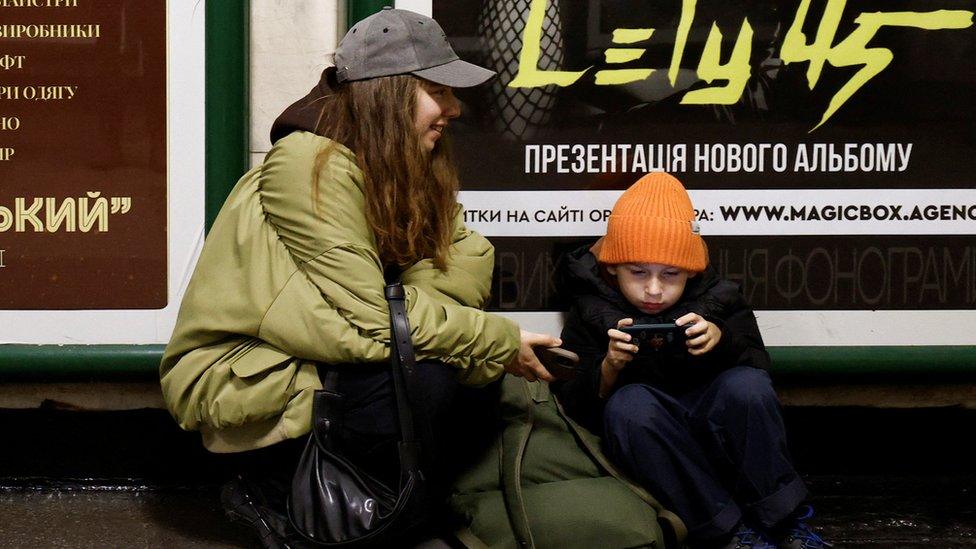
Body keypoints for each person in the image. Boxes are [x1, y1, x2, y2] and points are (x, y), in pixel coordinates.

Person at [159, 7, 558, 545]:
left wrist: (430, 318)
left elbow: (466, 251)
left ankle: (380, 500)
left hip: (332, 345)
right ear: (389, 93)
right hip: (249, 369)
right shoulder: (305, 162)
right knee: (431, 371)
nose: (454, 108)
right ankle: (275, 493)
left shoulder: (398, 156)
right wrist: (491, 336)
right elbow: (375, 322)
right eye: (438, 90)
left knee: (460, 368)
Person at [553, 172, 830, 549]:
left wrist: (721, 339)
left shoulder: (719, 296)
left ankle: (785, 522)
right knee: (629, 406)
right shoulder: (590, 307)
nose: (654, 289)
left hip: (716, 427)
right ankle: (730, 534)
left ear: (692, 270)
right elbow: (572, 405)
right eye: (638, 272)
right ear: (613, 266)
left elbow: (756, 365)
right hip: (653, 446)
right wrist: (609, 368)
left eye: (671, 274)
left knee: (746, 385)